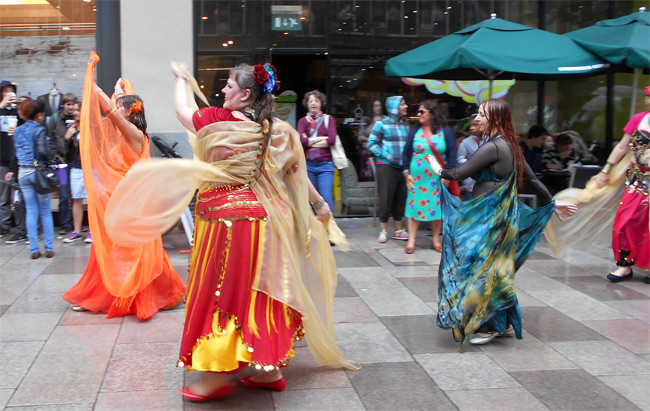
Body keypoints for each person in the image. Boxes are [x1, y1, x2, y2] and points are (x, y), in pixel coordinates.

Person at [103, 60, 359, 401]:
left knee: (221, 292)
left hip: (224, 222)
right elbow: (293, 173)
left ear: (245, 94)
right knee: (257, 291)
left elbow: (182, 109)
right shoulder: (274, 130)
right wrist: (319, 204)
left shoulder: (217, 121)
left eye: (228, 85)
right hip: (263, 221)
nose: (223, 90)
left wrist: (180, 77)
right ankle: (267, 369)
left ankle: (216, 373)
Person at [426, 99, 577, 346]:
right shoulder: (508, 144)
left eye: (482, 115)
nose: (477, 118)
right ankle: (502, 321)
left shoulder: (494, 146)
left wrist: (436, 166)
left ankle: (491, 325)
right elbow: (532, 178)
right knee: (494, 268)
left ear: (496, 119)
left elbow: (456, 174)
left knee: (484, 269)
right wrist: (551, 202)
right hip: (497, 215)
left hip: (491, 217)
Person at [63, 53, 185, 319]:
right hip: (123, 200)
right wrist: (119, 92)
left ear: (130, 111)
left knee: (132, 250)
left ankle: (120, 295)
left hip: (131, 203)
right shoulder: (126, 132)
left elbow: (109, 110)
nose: (116, 110)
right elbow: (114, 115)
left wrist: (92, 78)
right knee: (128, 249)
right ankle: (161, 291)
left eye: (121, 106)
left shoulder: (134, 133)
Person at [591, 87, 649, 283]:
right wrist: (606, 169)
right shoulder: (638, 119)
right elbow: (623, 146)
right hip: (637, 180)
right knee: (626, 220)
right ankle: (624, 265)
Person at [402, 99, 457, 254]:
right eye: (418, 111)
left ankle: (435, 239)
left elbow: (452, 154)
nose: (418, 114)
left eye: (422, 112)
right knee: (414, 206)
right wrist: (406, 173)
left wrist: (449, 175)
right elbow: (405, 154)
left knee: (436, 207)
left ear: (431, 113)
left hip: (437, 177)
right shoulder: (415, 131)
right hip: (416, 178)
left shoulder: (445, 130)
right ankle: (411, 239)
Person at [12, 98, 56, 259]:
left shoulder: (17, 130)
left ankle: (34, 249)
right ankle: (49, 248)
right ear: (37, 114)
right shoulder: (40, 130)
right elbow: (43, 152)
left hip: (23, 172)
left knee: (31, 211)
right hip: (38, 174)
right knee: (45, 211)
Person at [368, 96, 410, 243]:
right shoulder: (381, 124)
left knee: (400, 198)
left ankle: (398, 230)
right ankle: (383, 230)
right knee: (386, 198)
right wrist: (386, 155)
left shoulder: (405, 125)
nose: (406, 106)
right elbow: (371, 143)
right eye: (403, 104)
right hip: (386, 166)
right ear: (395, 107)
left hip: (402, 167)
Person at [297, 90, 337, 211]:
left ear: (321, 103)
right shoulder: (302, 121)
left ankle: (328, 228)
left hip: (325, 166)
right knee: (311, 200)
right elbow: (300, 140)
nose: (313, 103)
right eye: (311, 101)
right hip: (308, 166)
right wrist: (320, 139)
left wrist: (309, 140)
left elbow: (332, 140)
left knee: (326, 198)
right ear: (307, 104)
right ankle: (315, 228)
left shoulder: (328, 120)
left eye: (316, 101)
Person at [60, 102, 92, 244]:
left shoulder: (91, 127)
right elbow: (64, 151)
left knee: (91, 200)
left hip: (91, 167)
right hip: (75, 166)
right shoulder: (72, 128)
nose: (75, 113)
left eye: (78, 110)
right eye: (74, 111)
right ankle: (77, 231)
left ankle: (93, 231)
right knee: (77, 199)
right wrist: (67, 138)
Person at [47, 93, 79, 235]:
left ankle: (77, 224)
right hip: (62, 163)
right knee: (64, 194)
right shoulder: (55, 119)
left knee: (77, 195)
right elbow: (50, 140)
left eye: (72, 104)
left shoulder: (79, 119)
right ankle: (65, 224)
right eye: (68, 104)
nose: (70, 107)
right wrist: (55, 156)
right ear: (63, 105)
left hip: (77, 162)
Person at [0, 80, 20, 239]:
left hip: (17, 160)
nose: (8, 93)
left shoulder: (17, 111)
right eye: (5, 90)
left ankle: (21, 227)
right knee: (3, 198)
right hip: (2, 159)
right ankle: (3, 226)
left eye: (11, 91)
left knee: (19, 198)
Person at [457, 113, 481, 200]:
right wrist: (471, 163)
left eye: (475, 125)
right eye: (470, 125)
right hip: (470, 183)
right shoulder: (466, 142)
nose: (471, 128)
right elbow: (459, 159)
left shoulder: (488, 140)